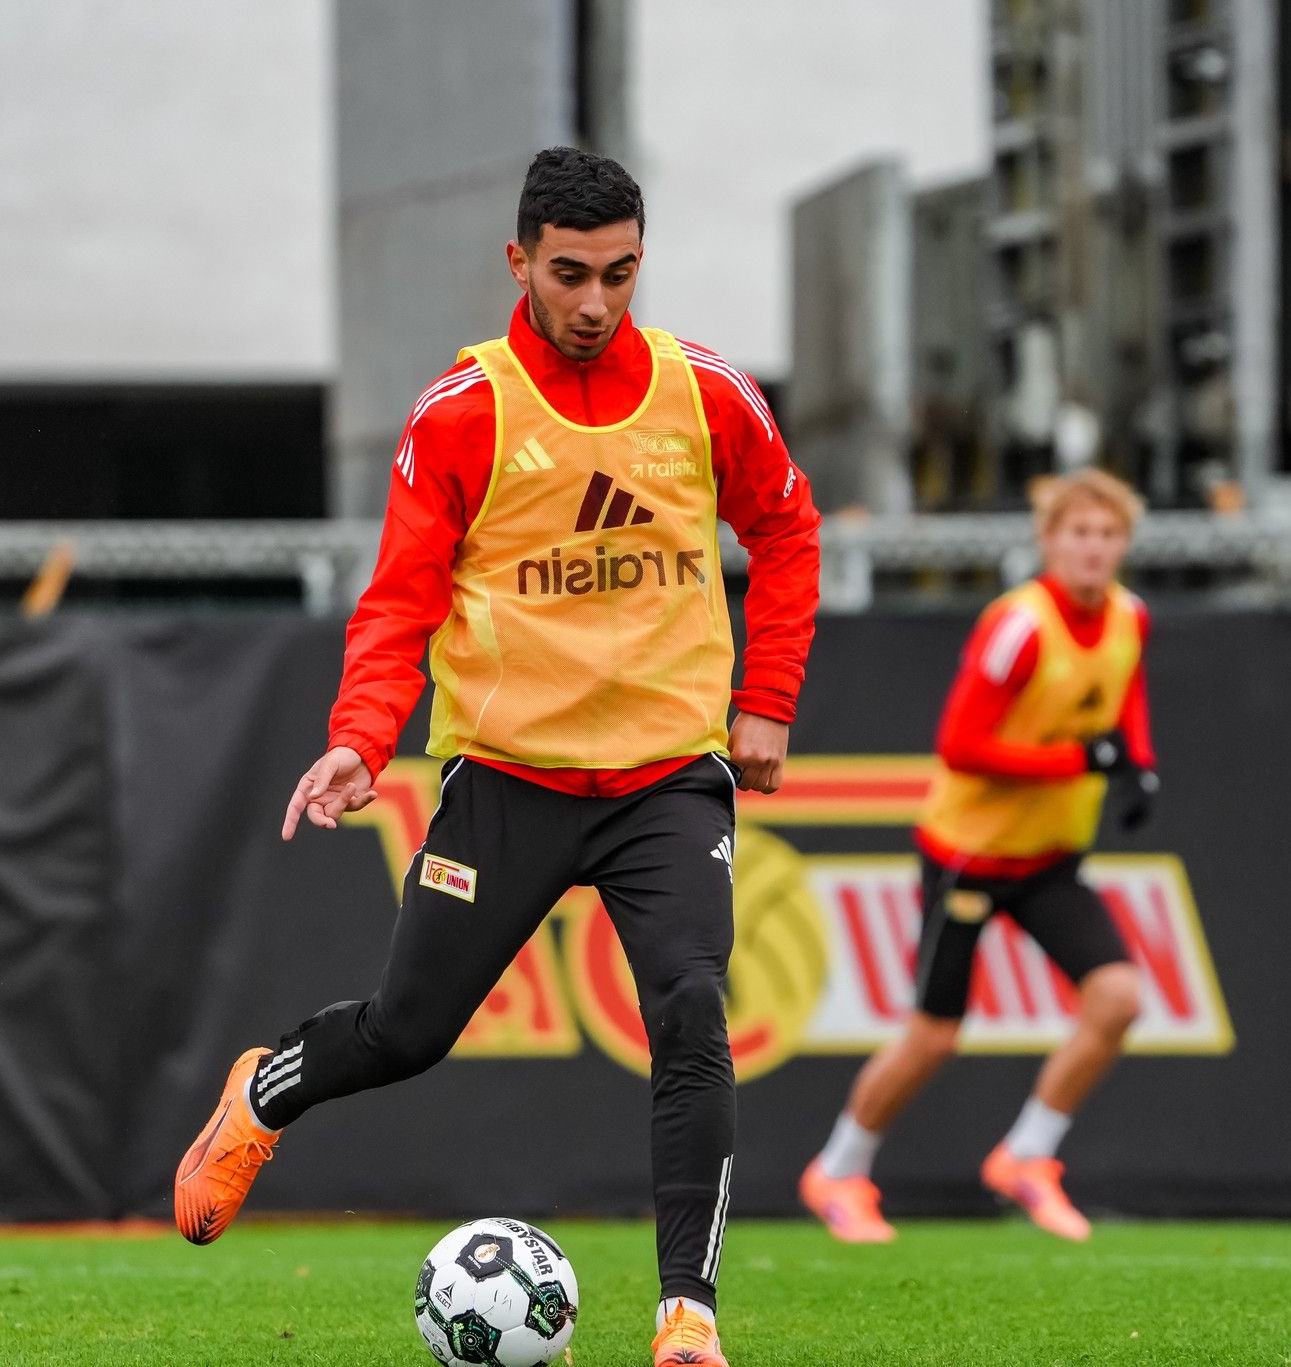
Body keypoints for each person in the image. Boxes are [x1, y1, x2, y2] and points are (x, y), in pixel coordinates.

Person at [173, 147, 820, 1367]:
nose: (594, 302)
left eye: (620, 274)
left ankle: (689, 1313)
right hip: (510, 779)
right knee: (408, 1030)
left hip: (665, 779)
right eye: (570, 274)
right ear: (517, 260)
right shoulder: (463, 411)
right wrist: (361, 738)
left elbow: (786, 526)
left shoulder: (704, 394)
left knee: (689, 1007)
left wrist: (765, 698)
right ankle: (265, 1090)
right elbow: (398, 599)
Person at [798, 469, 1157, 1245]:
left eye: (1107, 534)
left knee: (1119, 1000)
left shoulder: (1130, 615)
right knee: (933, 1033)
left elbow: (1124, 699)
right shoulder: (1019, 625)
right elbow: (959, 745)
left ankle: (1028, 1156)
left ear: (1124, 543)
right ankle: (838, 1169)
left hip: (1048, 857)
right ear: (1049, 539)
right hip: (969, 854)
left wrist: (1138, 763)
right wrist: (1079, 760)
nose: (1094, 548)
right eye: (1079, 533)